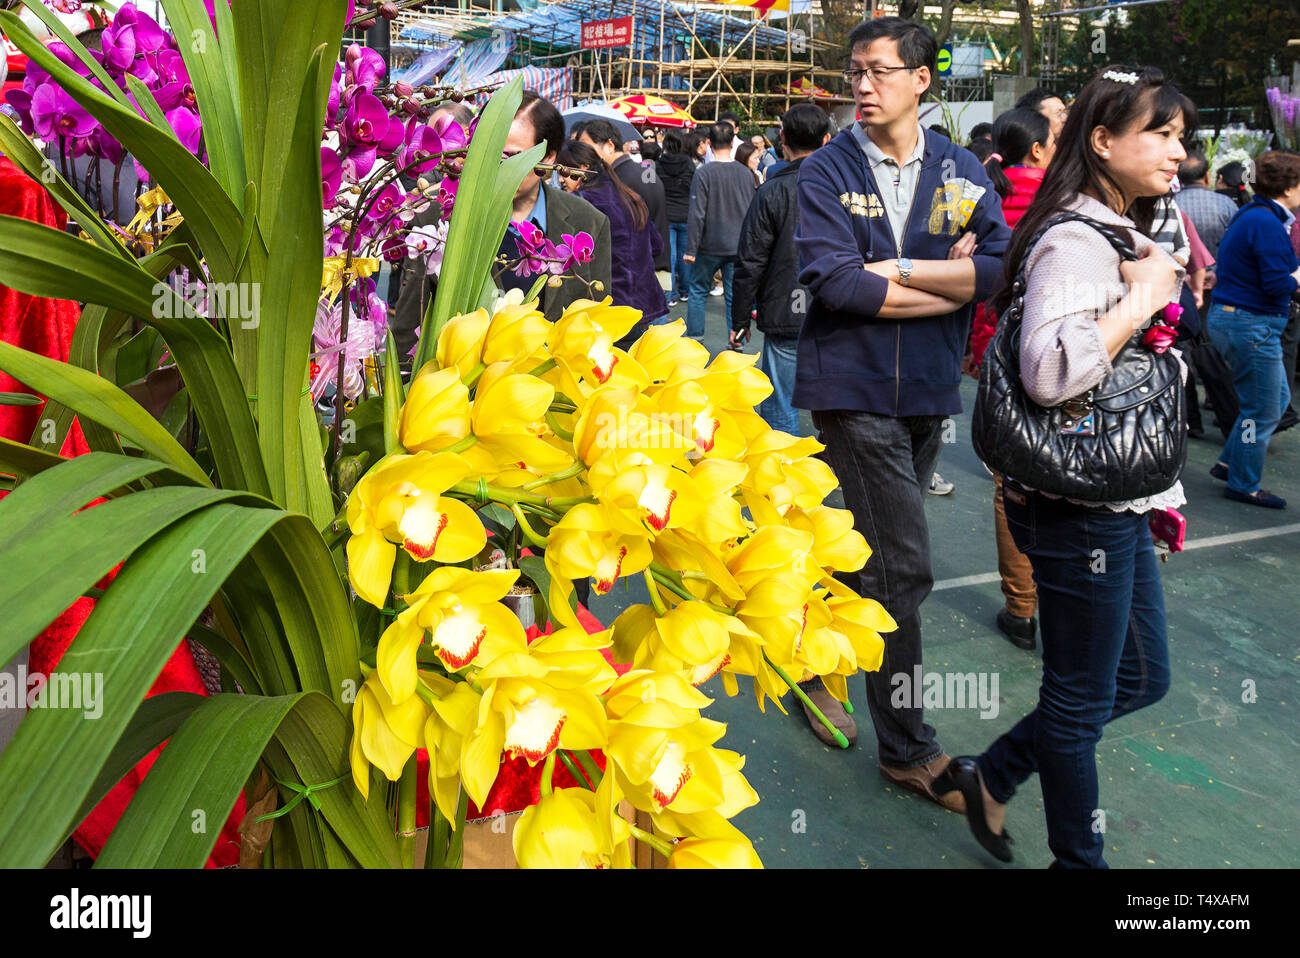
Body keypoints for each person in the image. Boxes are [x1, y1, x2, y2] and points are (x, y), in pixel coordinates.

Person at [939, 65, 1189, 869]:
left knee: (1141, 676)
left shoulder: (1114, 228)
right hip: (1075, 505)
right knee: (1079, 700)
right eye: (1161, 132)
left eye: (1181, 136)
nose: (1177, 150)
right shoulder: (1078, 241)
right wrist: (1143, 299)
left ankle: (993, 773)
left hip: (1108, 500)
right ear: (1103, 140)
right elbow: (1051, 372)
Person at [795, 16, 1010, 790]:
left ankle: (810, 658)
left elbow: (994, 268)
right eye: (855, 71)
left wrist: (901, 271)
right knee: (902, 570)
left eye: (878, 71)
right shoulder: (825, 172)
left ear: (921, 79)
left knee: (862, 550)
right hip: (848, 388)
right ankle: (908, 750)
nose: (861, 85)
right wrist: (938, 283)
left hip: (926, 387)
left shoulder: (958, 169)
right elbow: (839, 284)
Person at [393, 92, 612, 355]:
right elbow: (408, 326)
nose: (498, 165)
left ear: (549, 156)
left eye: (513, 156)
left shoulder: (587, 222)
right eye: (490, 152)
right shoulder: (435, 219)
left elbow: (596, 325)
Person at [969, 105, 1056, 651]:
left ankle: (1021, 608)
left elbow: (974, 282)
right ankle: (1064, 600)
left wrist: (978, 353)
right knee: (1066, 484)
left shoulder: (981, 194)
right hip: (1066, 355)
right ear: (1041, 149)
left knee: (1011, 486)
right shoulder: (1066, 198)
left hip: (1003, 353)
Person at [730, 104, 832, 441]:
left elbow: (750, 259)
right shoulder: (845, 191)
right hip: (839, 310)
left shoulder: (771, 191)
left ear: (782, 140)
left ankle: (784, 480)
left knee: (780, 406)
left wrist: (740, 319)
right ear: (827, 139)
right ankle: (832, 472)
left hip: (785, 308)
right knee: (835, 405)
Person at [1206, 150, 1300, 508]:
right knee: (1261, 408)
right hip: (1252, 323)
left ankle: (1231, 461)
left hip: (1241, 319)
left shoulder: (1254, 216)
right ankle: (1243, 482)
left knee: (1271, 401)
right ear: (1289, 187)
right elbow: (1279, 284)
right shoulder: (1266, 223)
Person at [555, 139, 667, 343]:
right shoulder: (629, 196)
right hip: (644, 302)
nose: (561, 179)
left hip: (609, 308)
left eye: (564, 171)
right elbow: (657, 246)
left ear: (583, 168)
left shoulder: (582, 203)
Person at [683, 123, 756, 340]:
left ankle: (696, 340)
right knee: (735, 297)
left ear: (709, 144)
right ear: (733, 143)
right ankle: (737, 342)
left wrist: (691, 248)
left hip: (708, 245)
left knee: (697, 292)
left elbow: (697, 213)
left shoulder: (703, 173)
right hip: (738, 245)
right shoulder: (745, 173)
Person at [578, 118, 669, 271]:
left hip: (637, 275)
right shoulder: (645, 172)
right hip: (657, 268)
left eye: (587, 148)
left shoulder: (615, 181)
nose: (584, 155)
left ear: (609, 146)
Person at [655, 129, 696, 308]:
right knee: (684, 256)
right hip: (686, 213)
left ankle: (670, 294)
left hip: (667, 214)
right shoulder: (688, 163)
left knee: (669, 256)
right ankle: (685, 291)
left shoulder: (657, 164)